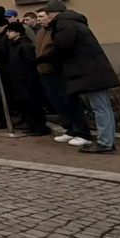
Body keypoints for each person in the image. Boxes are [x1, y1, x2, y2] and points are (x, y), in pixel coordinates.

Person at [38, 0, 120, 154]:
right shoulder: (73, 22)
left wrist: (43, 59)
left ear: (54, 13)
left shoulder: (65, 25)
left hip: (90, 71)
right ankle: (106, 141)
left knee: (100, 107)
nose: (48, 19)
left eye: (48, 15)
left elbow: (62, 47)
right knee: (102, 107)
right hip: (93, 70)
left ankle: (106, 143)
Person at [35, 8, 92, 147]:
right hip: (44, 72)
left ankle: (82, 131)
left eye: (42, 16)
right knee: (58, 103)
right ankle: (70, 129)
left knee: (69, 102)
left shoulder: (57, 30)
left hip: (58, 71)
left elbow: (60, 49)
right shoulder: (40, 32)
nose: (39, 19)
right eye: (38, 17)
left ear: (50, 17)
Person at [4, 21, 50, 136]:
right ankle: (32, 125)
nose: (8, 34)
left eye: (10, 31)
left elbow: (30, 63)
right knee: (25, 105)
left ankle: (39, 127)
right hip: (19, 80)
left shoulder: (25, 46)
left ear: (18, 32)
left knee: (33, 105)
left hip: (27, 80)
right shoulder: (14, 45)